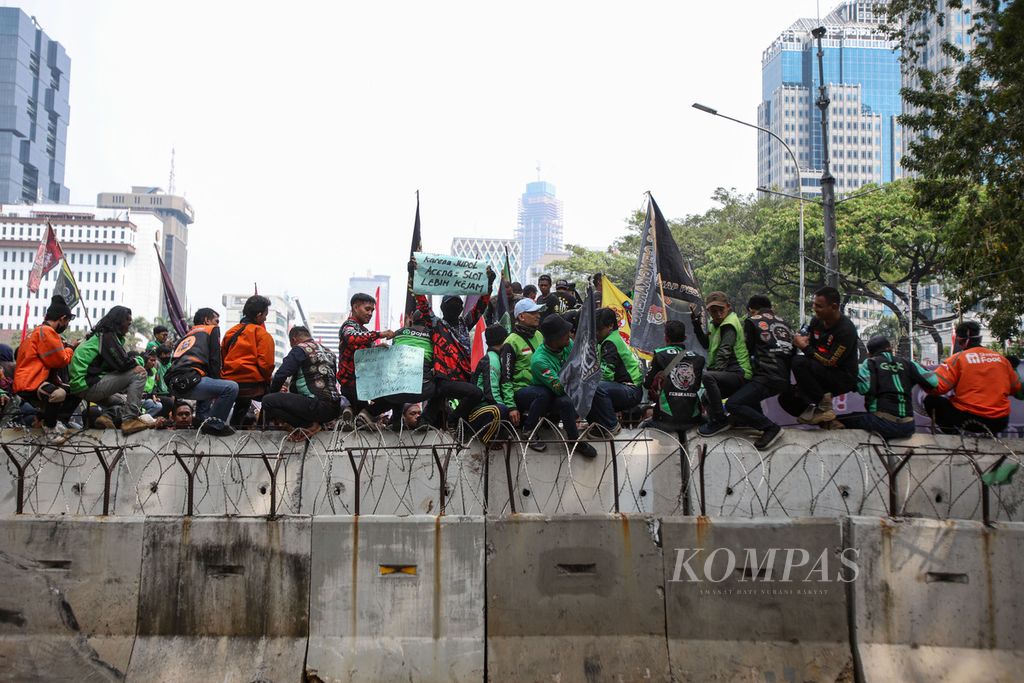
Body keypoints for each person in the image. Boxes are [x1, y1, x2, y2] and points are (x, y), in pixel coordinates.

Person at [530, 314, 615, 458]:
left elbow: (581, 364)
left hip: (570, 390)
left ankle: (601, 425)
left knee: (594, 386)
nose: (569, 335)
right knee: (566, 402)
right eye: (565, 334)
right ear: (554, 339)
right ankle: (574, 441)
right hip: (550, 398)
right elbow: (559, 389)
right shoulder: (539, 360)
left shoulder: (567, 344)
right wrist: (578, 376)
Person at [923, 321, 1023, 435]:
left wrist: (920, 373)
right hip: (999, 421)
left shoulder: (958, 359)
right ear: (979, 338)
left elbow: (938, 387)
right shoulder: (1001, 359)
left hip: (970, 419)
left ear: (960, 340)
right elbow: (1016, 389)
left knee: (931, 400)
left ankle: (952, 437)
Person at [779, 286, 859, 426]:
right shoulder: (816, 321)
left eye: (819, 306)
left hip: (841, 377)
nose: (814, 308)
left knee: (798, 361)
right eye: (814, 304)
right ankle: (827, 421)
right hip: (818, 372)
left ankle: (824, 407)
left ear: (834, 307)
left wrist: (805, 347)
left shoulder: (846, 330)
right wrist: (800, 340)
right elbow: (805, 336)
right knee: (786, 398)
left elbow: (830, 361)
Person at [725, 295, 795, 450]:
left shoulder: (752, 321)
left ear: (751, 309)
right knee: (748, 396)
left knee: (733, 403)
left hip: (766, 376)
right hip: (783, 377)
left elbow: (746, 350)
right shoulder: (785, 323)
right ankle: (742, 420)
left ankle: (770, 428)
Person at [69, 305, 151, 435]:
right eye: (128, 323)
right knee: (140, 372)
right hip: (87, 384)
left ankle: (106, 417)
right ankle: (129, 421)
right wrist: (140, 360)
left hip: (84, 385)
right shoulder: (107, 337)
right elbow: (123, 364)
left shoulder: (100, 336)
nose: (129, 327)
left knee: (125, 402)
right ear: (119, 321)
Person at [838, 335, 938, 440]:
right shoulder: (908, 363)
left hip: (881, 424)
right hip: (908, 426)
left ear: (869, 354)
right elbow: (933, 382)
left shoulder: (870, 363)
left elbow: (864, 388)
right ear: (890, 348)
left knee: (841, 419)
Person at [13, 295, 82, 440]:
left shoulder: (38, 331)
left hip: (31, 380)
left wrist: (67, 347)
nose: (66, 326)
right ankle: (50, 427)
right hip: (31, 383)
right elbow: (60, 360)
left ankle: (49, 420)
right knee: (58, 394)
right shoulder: (47, 332)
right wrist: (71, 349)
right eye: (67, 322)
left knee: (75, 390)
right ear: (62, 319)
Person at [164, 307, 238, 436]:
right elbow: (215, 359)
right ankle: (215, 425)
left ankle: (201, 423)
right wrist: (217, 381)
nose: (217, 324)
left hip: (174, 383)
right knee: (231, 388)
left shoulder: (186, 336)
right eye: (216, 320)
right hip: (191, 381)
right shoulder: (211, 330)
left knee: (206, 380)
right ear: (207, 320)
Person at [262, 326, 344, 439]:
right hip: (334, 408)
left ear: (293, 340)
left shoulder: (300, 349)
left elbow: (281, 375)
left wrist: (272, 393)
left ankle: (308, 425)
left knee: (268, 401)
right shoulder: (329, 352)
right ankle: (316, 423)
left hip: (315, 405)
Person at [692, 291, 752, 437]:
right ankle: (719, 422)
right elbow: (706, 344)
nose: (718, 314)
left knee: (707, 377)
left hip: (739, 372)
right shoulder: (714, 325)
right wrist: (696, 324)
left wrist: (713, 375)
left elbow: (724, 351)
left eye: (721, 310)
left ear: (728, 307)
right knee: (705, 397)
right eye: (713, 311)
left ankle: (720, 420)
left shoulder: (729, 324)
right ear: (708, 311)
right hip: (729, 372)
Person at [337, 292, 394, 423]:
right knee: (395, 396)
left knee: (360, 422)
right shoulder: (349, 326)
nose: (370, 313)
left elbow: (360, 352)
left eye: (372, 310)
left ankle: (352, 412)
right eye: (367, 309)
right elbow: (351, 338)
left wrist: (375, 350)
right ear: (355, 307)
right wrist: (380, 334)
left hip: (363, 386)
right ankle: (358, 412)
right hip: (353, 386)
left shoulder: (362, 330)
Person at [221, 295, 276, 427]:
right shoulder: (263, 334)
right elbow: (266, 365)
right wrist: (267, 380)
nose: (265, 318)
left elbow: (223, 357)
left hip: (229, 381)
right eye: (265, 315)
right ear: (259, 315)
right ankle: (262, 428)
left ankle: (235, 428)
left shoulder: (230, 332)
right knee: (273, 398)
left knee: (243, 402)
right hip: (252, 383)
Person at [643, 320, 705, 432]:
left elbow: (647, 384)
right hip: (693, 419)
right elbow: (696, 386)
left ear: (666, 337)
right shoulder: (699, 358)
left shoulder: (660, 354)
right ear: (685, 337)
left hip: (665, 419)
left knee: (643, 425)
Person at [500, 298, 546, 450]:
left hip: (541, 387)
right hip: (521, 391)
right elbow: (505, 377)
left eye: (538, 312)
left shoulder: (539, 335)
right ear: (521, 317)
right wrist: (511, 406)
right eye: (533, 312)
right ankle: (529, 430)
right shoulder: (510, 342)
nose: (538, 315)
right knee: (544, 394)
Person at [382, 311, 435, 428]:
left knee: (399, 383)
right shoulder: (433, 335)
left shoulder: (400, 332)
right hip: (423, 388)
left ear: (411, 320)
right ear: (429, 322)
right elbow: (434, 361)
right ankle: (425, 420)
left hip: (396, 388)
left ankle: (395, 420)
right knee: (442, 386)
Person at [469, 324, 515, 445]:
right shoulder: (492, 359)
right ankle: (487, 438)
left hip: (488, 410)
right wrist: (507, 412)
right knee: (500, 409)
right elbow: (491, 392)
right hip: (480, 411)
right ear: (504, 339)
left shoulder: (497, 357)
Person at [595, 307, 643, 415]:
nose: (596, 333)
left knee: (595, 388)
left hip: (630, 389)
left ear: (610, 326)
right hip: (625, 388)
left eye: (599, 329)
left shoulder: (610, 342)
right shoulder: (611, 338)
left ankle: (611, 425)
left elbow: (607, 374)